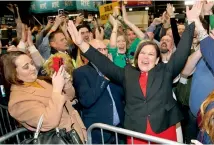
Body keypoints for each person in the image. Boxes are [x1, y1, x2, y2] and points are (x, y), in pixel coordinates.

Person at [67, 2, 200, 143]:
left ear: (156, 60)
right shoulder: (128, 73)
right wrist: (81, 44)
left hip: (163, 130)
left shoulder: (165, 71)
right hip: (137, 134)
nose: (145, 57)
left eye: (150, 54)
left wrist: (191, 23)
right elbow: (103, 63)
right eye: (142, 53)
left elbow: (182, 52)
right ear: (137, 58)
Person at [2, 51, 87, 142]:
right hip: (61, 140)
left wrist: (66, 83)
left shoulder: (40, 82)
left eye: (31, 63)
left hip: (76, 133)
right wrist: (57, 90)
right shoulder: (18, 101)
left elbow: (69, 97)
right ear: (14, 74)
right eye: (26, 67)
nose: (33, 68)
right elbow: (48, 122)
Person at [73, 39, 125, 144]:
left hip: (119, 131)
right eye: (99, 49)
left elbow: (123, 96)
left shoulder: (114, 70)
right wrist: (104, 78)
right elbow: (86, 100)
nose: (104, 52)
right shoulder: (81, 72)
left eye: (105, 49)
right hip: (98, 133)